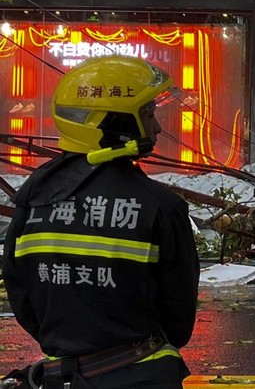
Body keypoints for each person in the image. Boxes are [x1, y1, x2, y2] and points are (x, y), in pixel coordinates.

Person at [2, 55, 200, 389]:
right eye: (148, 113)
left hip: (63, 378)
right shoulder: (162, 207)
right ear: (115, 121)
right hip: (145, 377)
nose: (157, 127)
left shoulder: (32, 199)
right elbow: (179, 321)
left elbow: (22, 295)